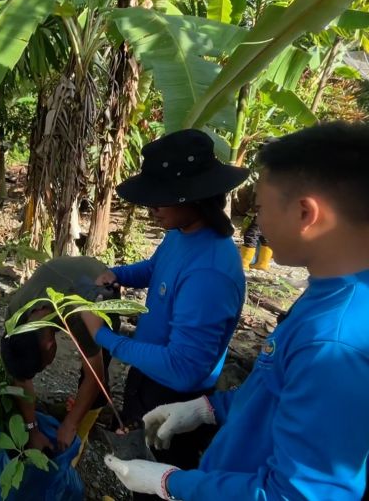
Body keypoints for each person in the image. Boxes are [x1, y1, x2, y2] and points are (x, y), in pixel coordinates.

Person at [104, 122, 369, 500]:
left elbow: (295, 494)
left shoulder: (334, 341)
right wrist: (209, 408)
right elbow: (274, 393)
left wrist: (171, 483)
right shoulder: (328, 294)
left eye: (260, 208)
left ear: (306, 213)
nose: (256, 223)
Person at [81, 129, 248, 495]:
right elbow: (157, 267)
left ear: (194, 198)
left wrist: (103, 336)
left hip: (175, 400)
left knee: (161, 484)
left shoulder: (210, 272)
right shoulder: (182, 232)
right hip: (148, 375)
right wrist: (119, 274)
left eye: (160, 198)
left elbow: (183, 368)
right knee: (136, 464)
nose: (151, 207)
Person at [0, 256, 121, 464]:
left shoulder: (82, 317)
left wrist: (70, 423)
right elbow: (19, 377)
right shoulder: (15, 316)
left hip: (100, 285)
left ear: (50, 346)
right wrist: (32, 430)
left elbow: (95, 375)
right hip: (62, 279)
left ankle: (82, 434)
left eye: (45, 365)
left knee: (96, 377)